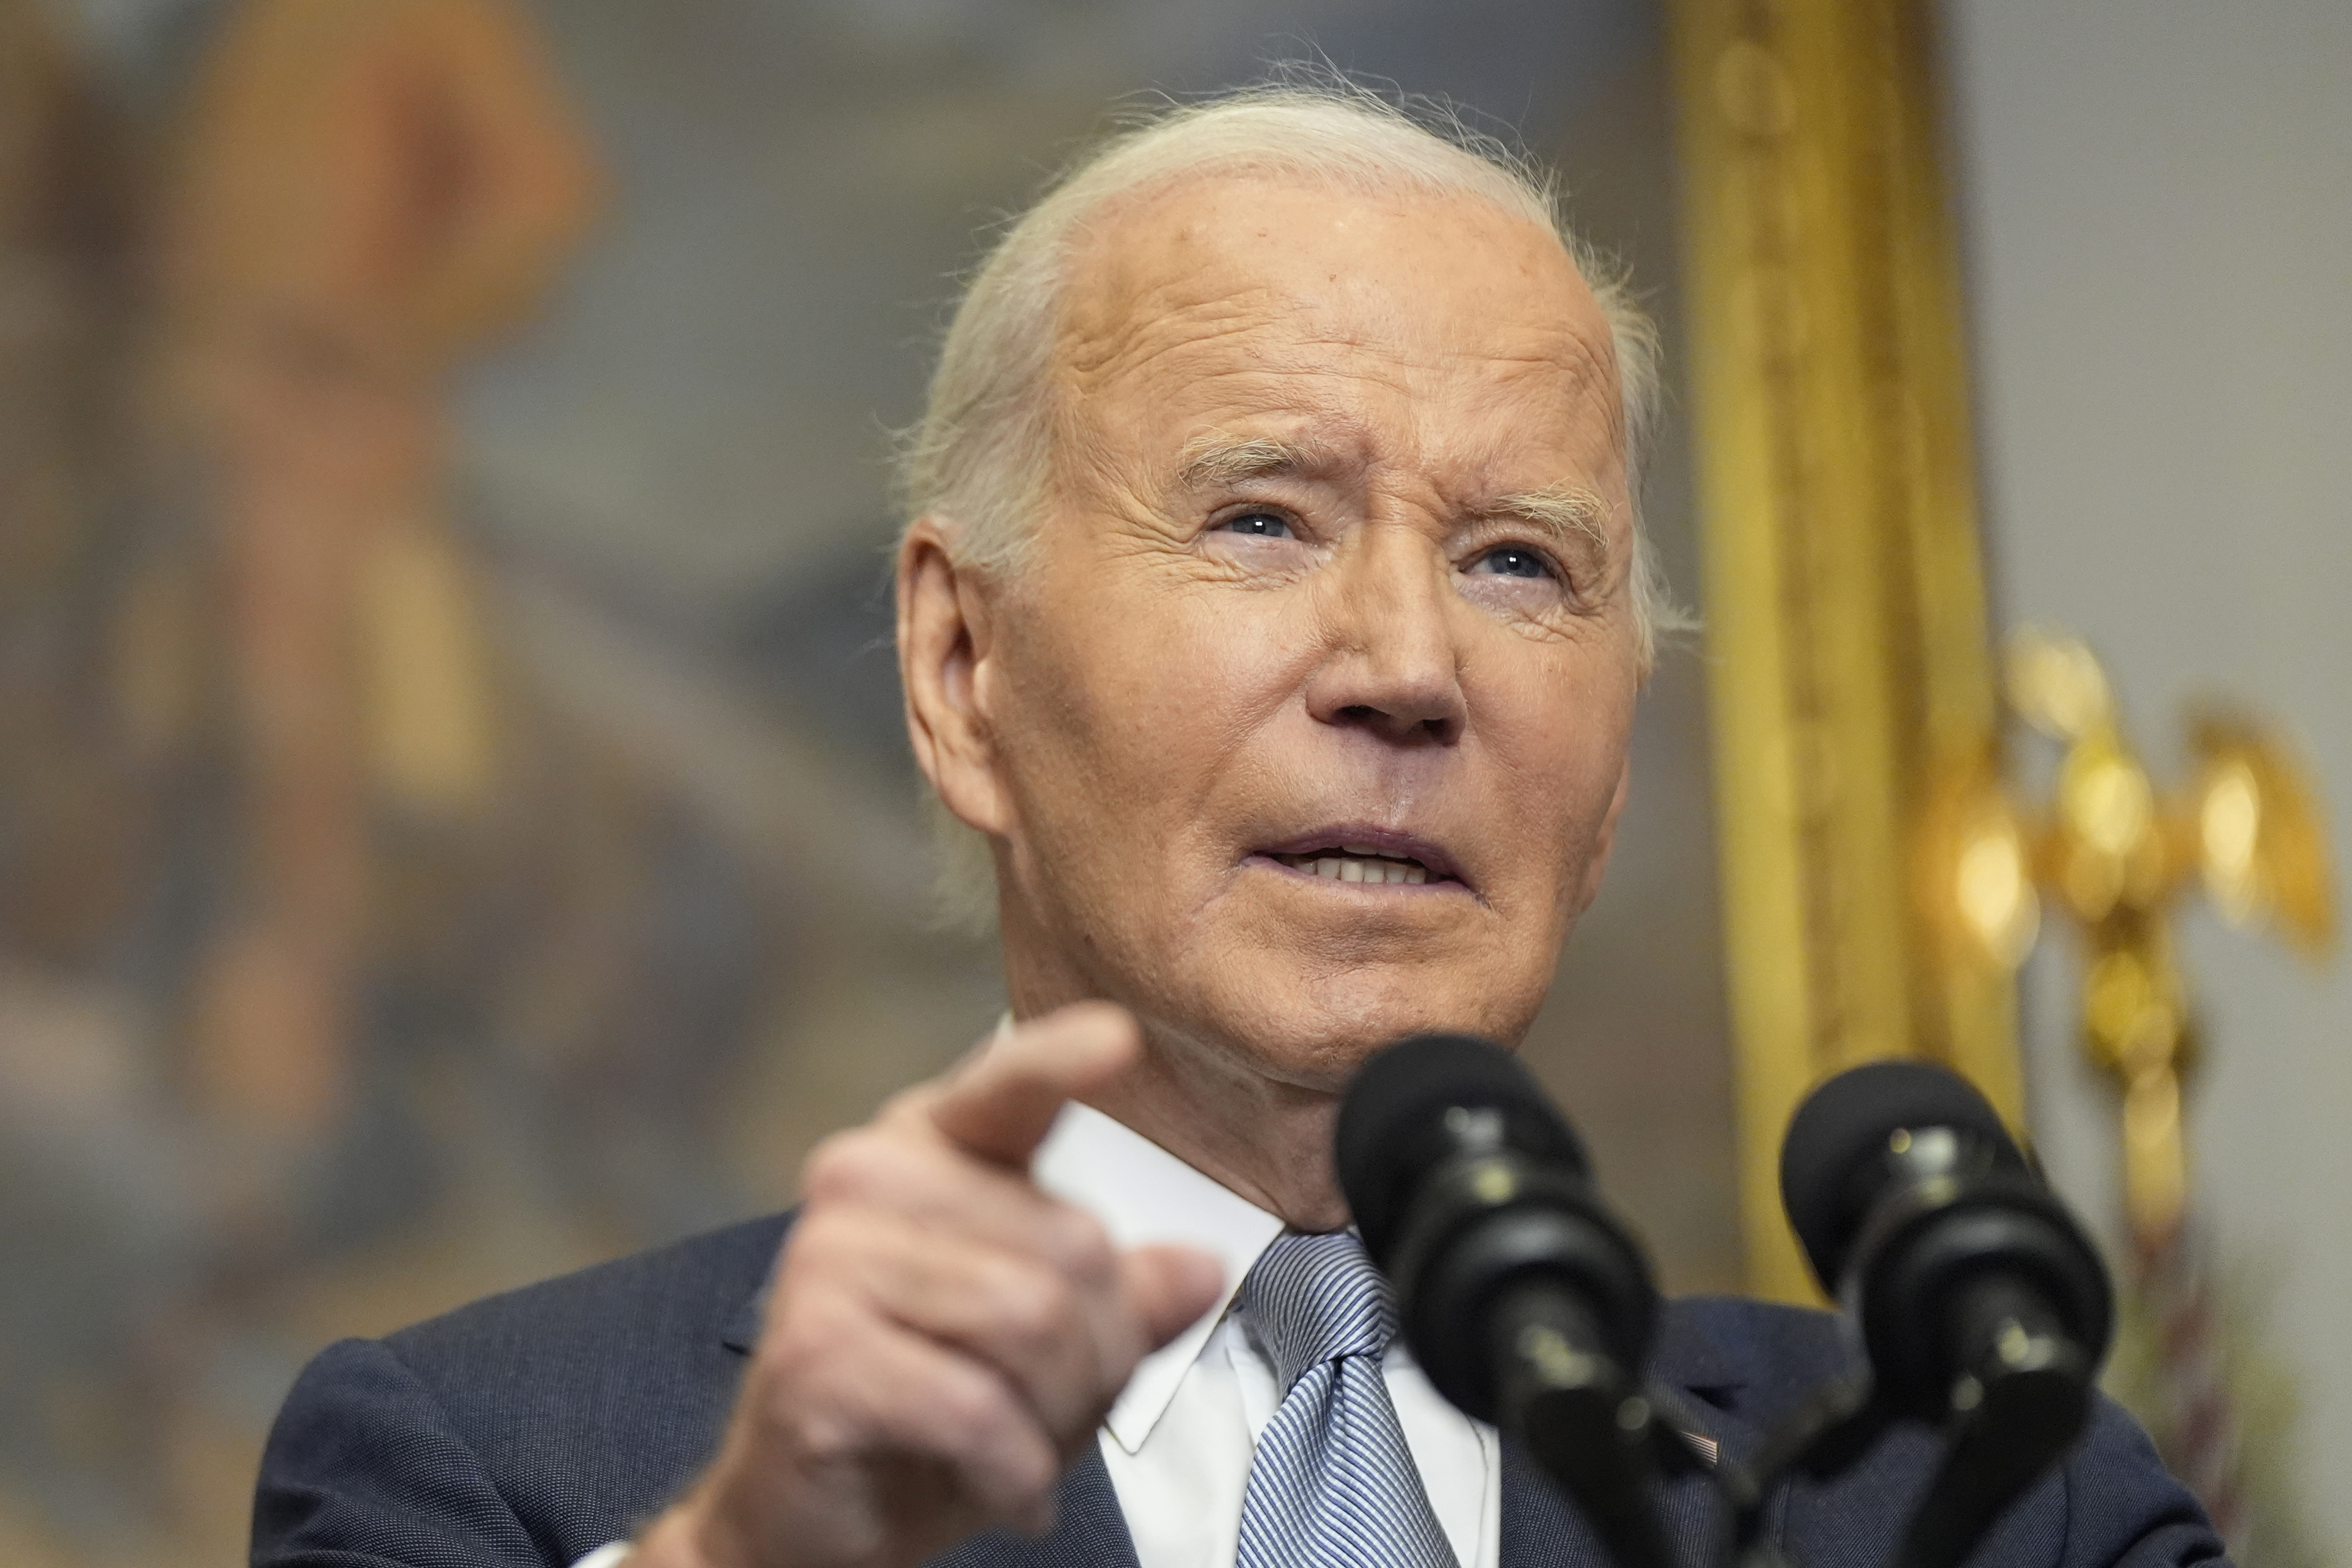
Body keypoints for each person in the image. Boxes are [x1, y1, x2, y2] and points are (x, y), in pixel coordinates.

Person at [251, 86, 2227, 1568]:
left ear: (1615, 761)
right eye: (1262, 518)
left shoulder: (1981, 1493)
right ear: (960, 668)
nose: (1404, 664)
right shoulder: (498, 1468)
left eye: (1521, 561)